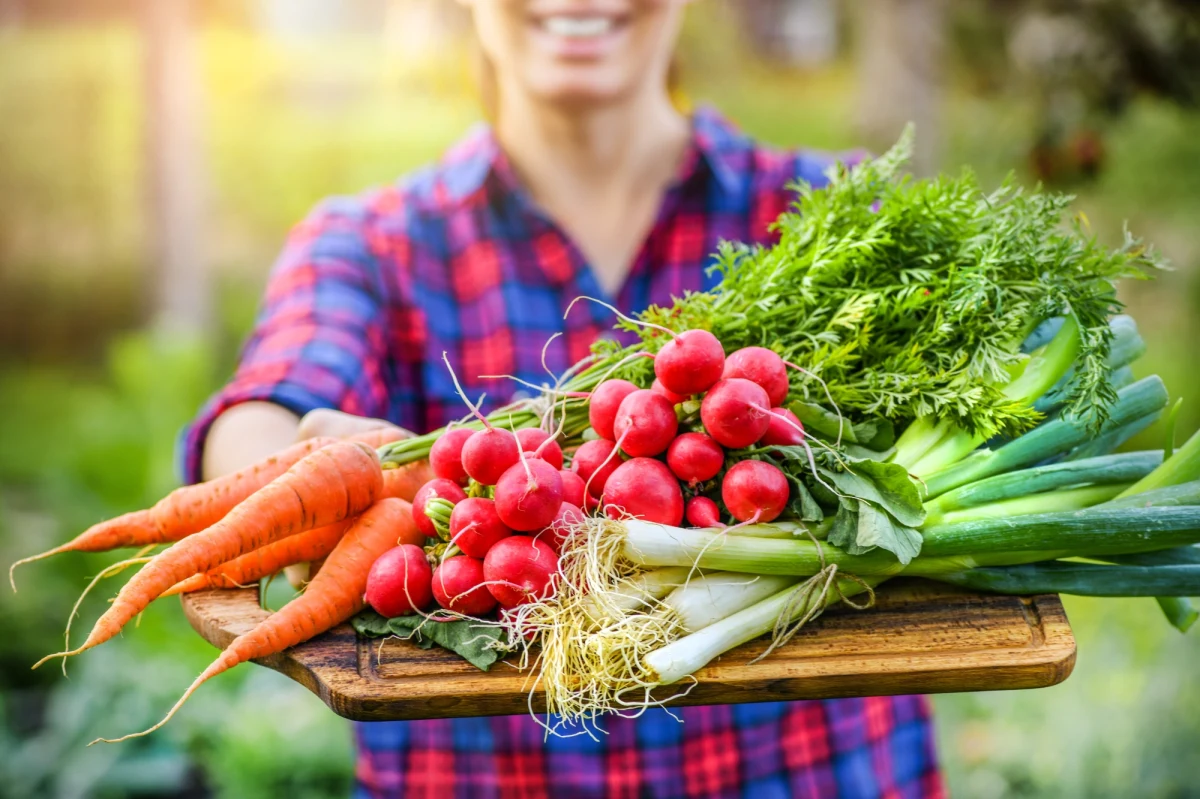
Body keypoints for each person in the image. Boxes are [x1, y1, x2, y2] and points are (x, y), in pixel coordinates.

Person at [183, 1, 944, 796]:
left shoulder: (837, 214)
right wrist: (285, 478)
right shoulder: (371, 246)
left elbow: (1038, 402)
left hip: (811, 774)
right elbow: (269, 399)